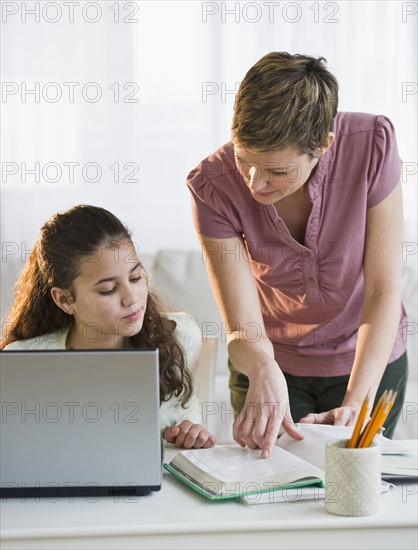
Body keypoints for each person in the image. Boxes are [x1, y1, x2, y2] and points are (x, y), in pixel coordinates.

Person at [187, 52, 407, 457]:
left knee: (354, 492)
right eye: (244, 160)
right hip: (270, 363)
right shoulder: (212, 186)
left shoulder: (371, 145)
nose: (256, 183)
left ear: (323, 145)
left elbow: (382, 290)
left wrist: (357, 402)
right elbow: (241, 325)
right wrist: (262, 368)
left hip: (365, 359)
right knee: (272, 492)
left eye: (276, 170)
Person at [1, 204, 216, 450]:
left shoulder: (180, 336)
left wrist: (193, 436)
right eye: (108, 290)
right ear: (65, 300)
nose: (132, 298)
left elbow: (188, 434)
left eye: (135, 277)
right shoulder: (24, 360)